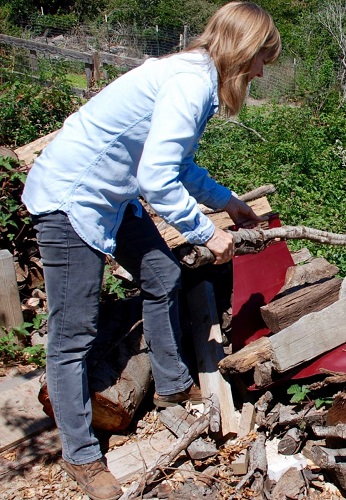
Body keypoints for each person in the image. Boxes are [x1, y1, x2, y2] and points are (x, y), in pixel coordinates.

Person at [21, 2, 281, 499]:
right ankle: (81, 456)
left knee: (161, 275)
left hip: (114, 198)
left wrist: (227, 202)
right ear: (243, 50)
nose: (262, 71)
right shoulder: (189, 83)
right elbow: (157, 180)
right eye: (261, 58)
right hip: (73, 199)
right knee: (73, 334)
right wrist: (206, 232)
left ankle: (170, 386)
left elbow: (176, 166)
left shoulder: (196, 79)